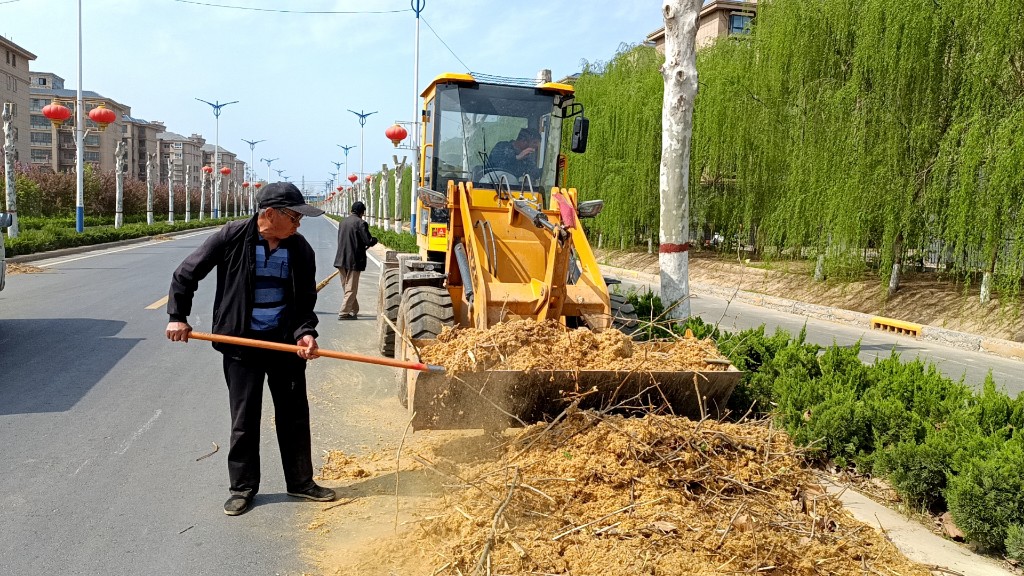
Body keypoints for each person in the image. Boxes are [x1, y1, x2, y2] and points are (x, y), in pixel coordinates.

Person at [165, 181, 336, 516]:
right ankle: (242, 488)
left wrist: (305, 333)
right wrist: (177, 316)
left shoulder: (299, 249)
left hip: (284, 345)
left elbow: (304, 302)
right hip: (240, 345)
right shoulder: (231, 237)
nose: (299, 223)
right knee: (244, 419)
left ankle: (301, 482)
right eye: (295, 216)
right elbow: (186, 274)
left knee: (294, 415)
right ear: (269, 214)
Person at [333, 201, 378, 320]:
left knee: (347, 287)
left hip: (341, 259)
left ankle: (354, 309)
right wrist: (374, 240)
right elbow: (368, 241)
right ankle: (343, 313)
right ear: (362, 212)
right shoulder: (361, 223)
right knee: (351, 288)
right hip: (354, 260)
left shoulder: (343, 222)